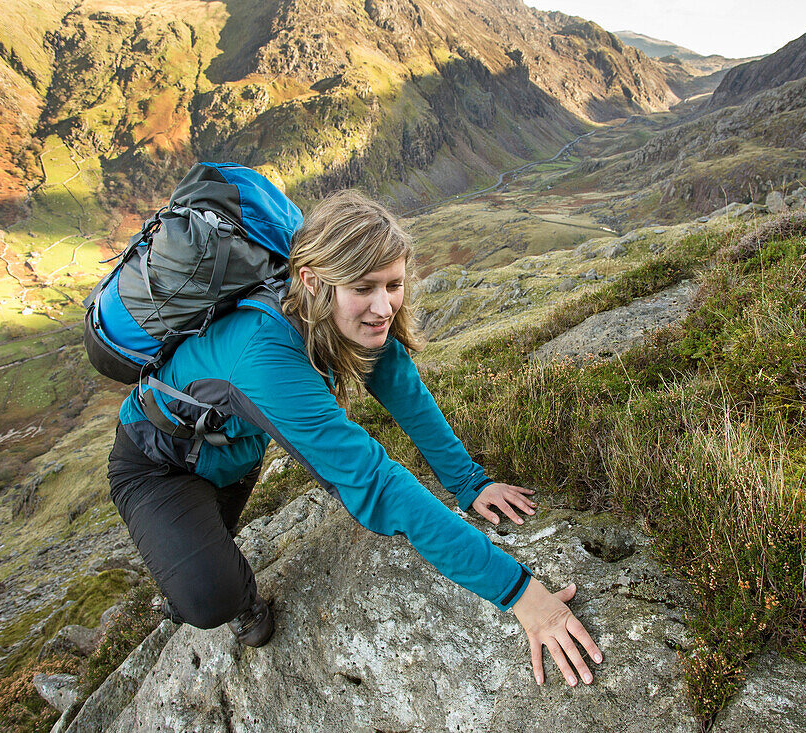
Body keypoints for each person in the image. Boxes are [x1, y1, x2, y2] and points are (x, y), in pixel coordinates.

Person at [106, 189, 603, 687]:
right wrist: (522, 594)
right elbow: (376, 484)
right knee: (208, 599)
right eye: (364, 287)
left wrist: (470, 482)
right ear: (312, 281)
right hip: (158, 463)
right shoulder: (263, 354)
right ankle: (228, 601)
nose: (383, 306)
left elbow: (402, 388)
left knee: (212, 546)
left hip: (237, 450)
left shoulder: (346, 314)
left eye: (394, 284)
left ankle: (199, 570)